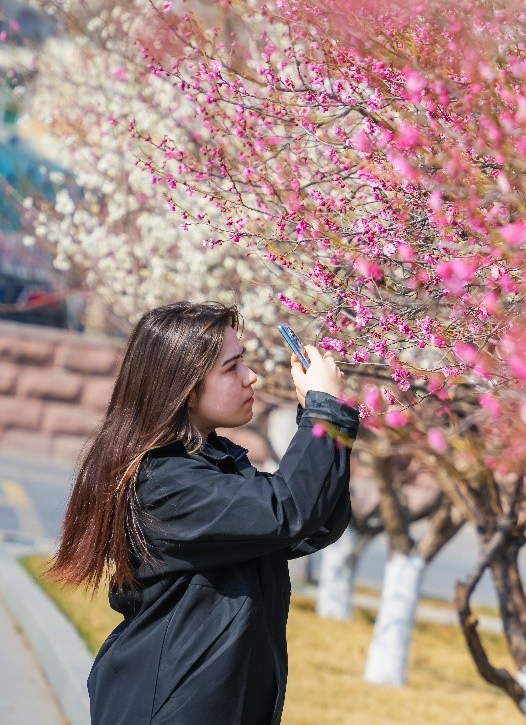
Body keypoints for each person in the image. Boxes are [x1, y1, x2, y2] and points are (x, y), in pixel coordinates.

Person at [48, 301, 358, 725]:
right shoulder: (162, 480)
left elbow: (313, 524)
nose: (251, 377)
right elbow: (287, 510)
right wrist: (324, 412)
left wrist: (326, 421)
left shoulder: (211, 462)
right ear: (186, 387)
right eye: (231, 368)